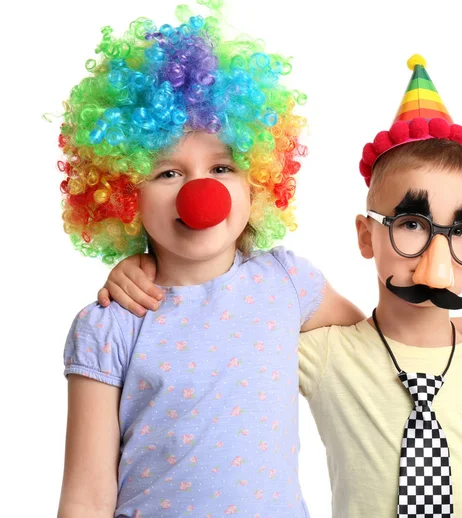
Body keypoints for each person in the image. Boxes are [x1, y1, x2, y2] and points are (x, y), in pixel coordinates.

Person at [56, 5, 365, 517]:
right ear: (122, 194)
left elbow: (381, 346)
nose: (201, 191)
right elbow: (86, 494)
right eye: (167, 173)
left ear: (258, 180)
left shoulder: (288, 282)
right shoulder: (110, 324)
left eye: (222, 166)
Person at [297, 55, 462, 517]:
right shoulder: (325, 354)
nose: (437, 261)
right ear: (365, 235)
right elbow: (247, 299)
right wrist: (142, 266)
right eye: (413, 224)